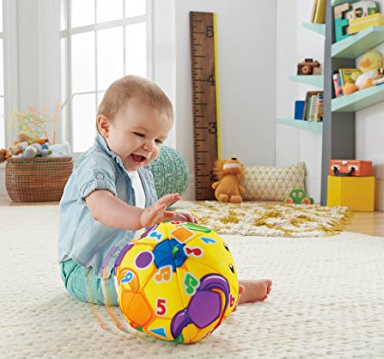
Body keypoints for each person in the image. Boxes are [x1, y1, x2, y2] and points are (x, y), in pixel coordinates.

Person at [58, 75, 272, 308]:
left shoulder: (141, 171)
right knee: (144, 290)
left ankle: (219, 284)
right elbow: (101, 207)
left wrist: (168, 219)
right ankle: (208, 297)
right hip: (87, 269)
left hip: (128, 259)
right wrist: (141, 217)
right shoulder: (96, 164)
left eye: (159, 140)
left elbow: (148, 221)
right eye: (140, 135)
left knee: (180, 258)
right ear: (105, 127)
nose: (149, 146)